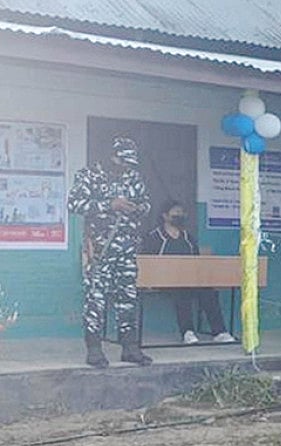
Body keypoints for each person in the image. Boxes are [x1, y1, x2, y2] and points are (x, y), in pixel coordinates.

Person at [68, 136, 153, 367]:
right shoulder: (89, 175)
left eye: (129, 162)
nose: (125, 166)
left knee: (128, 298)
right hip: (99, 249)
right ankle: (94, 350)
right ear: (111, 156)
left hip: (127, 248)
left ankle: (130, 348)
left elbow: (146, 203)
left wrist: (136, 208)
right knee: (96, 298)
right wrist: (109, 204)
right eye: (122, 160)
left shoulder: (133, 177)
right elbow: (74, 203)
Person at [141, 201, 235, 345]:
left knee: (208, 291)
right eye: (176, 213)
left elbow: (196, 262)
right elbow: (146, 262)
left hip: (189, 279)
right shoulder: (154, 236)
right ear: (165, 216)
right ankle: (187, 332)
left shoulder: (188, 238)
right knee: (181, 290)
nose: (180, 216)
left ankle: (219, 331)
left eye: (182, 213)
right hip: (162, 281)